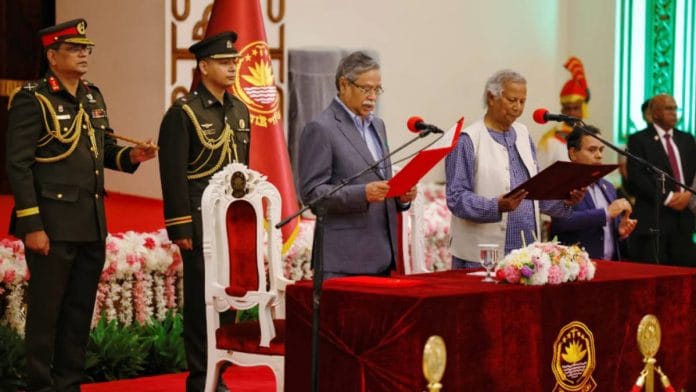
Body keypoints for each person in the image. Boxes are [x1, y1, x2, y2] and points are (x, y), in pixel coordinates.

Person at [5, 19, 157, 391]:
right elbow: (18, 164)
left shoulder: (92, 96)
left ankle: (69, 382)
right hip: (52, 225)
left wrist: (132, 156)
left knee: (77, 312)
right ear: (52, 56)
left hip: (90, 221)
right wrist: (32, 225)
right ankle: (41, 385)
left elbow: (101, 151)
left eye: (86, 48)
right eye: (74, 48)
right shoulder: (33, 99)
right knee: (46, 313)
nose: (84, 53)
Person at [157, 31, 249, 392]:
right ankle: (200, 378)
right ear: (204, 66)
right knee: (201, 304)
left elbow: (246, 173)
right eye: (225, 63)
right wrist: (180, 226)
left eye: (235, 62)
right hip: (199, 224)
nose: (232, 68)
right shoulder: (184, 114)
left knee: (230, 300)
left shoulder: (239, 110)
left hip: (234, 225)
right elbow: (173, 174)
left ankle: (218, 374)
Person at [445, 69, 584, 269]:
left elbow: (534, 194)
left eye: (522, 101)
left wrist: (565, 200)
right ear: (491, 98)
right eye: (512, 100)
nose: (518, 107)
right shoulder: (468, 140)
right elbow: (456, 198)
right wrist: (496, 206)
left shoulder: (523, 133)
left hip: (525, 253)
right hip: (481, 256)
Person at [298, 51, 416, 280]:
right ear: (344, 84)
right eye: (366, 89)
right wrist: (362, 194)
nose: (373, 97)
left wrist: (401, 196)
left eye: (377, 89)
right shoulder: (321, 128)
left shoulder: (377, 125)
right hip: (344, 260)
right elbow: (312, 195)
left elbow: (382, 182)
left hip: (382, 254)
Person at [625, 94, 696, 266]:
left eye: (675, 108)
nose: (674, 113)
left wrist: (688, 194)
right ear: (655, 113)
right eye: (668, 108)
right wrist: (669, 198)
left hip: (684, 218)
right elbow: (637, 176)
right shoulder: (638, 140)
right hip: (654, 217)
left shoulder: (687, 139)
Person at [549, 126, 637, 260]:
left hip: (611, 266)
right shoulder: (561, 184)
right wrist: (606, 213)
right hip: (578, 267)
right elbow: (560, 222)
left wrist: (619, 231)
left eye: (601, 150)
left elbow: (606, 230)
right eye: (592, 150)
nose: (599, 155)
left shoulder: (608, 187)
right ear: (573, 153)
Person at [537, 56, 591, 170]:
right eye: (567, 108)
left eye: (576, 108)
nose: (571, 113)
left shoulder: (590, 137)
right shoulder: (551, 141)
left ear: (583, 109)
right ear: (562, 111)